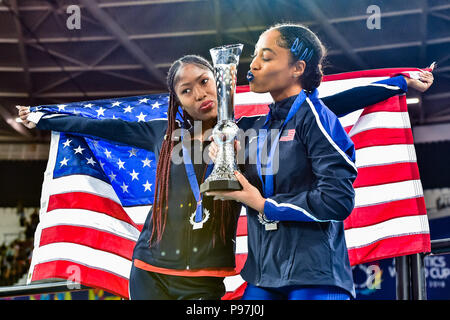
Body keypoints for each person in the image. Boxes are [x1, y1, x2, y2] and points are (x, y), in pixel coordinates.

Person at [18, 48, 433, 299]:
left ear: (218, 82)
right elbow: (92, 125)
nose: (199, 94)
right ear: (176, 100)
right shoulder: (159, 135)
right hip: (148, 275)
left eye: (204, 82)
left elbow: (326, 107)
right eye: (187, 90)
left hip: (206, 282)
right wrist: (42, 118)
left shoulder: (250, 132)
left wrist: (398, 83)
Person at [207, 23, 434, 300]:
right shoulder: (253, 128)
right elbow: (216, 178)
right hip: (262, 274)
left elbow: (337, 200)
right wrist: (220, 156)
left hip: (315, 276)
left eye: (265, 57)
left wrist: (263, 204)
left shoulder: (316, 117)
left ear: (297, 69)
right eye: (254, 55)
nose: (253, 65)